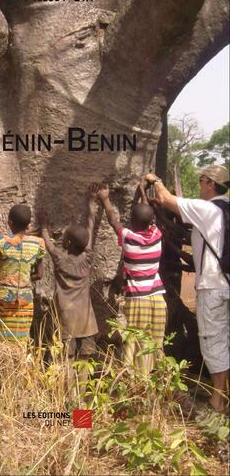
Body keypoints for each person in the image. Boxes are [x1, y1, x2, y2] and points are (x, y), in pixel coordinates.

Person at [146, 165, 229, 413]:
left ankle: (217, 399)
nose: (201, 184)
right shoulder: (226, 209)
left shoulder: (207, 209)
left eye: (202, 180)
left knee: (213, 341)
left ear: (211, 183)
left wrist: (154, 178)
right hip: (226, 282)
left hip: (213, 287)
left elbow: (165, 198)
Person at [96, 182, 166, 376]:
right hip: (158, 299)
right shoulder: (157, 234)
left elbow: (113, 220)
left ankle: (135, 378)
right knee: (155, 340)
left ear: (133, 223)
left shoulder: (129, 239)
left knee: (135, 339)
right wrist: (143, 191)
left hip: (138, 298)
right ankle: (156, 377)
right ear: (151, 222)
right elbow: (146, 215)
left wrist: (105, 199)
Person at [38, 192, 99, 365]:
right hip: (87, 323)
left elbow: (48, 243)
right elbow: (90, 227)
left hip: (66, 323)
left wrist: (43, 225)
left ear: (69, 243)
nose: (62, 239)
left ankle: (67, 392)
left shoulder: (60, 259)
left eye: (65, 237)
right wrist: (91, 204)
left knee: (67, 359)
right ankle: (80, 391)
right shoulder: (87, 259)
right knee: (84, 361)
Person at [0, 205, 46, 341]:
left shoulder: (4, 242)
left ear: (10, 222)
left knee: (0, 340)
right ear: (29, 224)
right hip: (25, 301)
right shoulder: (38, 244)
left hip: (4, 301)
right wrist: (24, 279)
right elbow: (39, 274)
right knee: (20, 339)